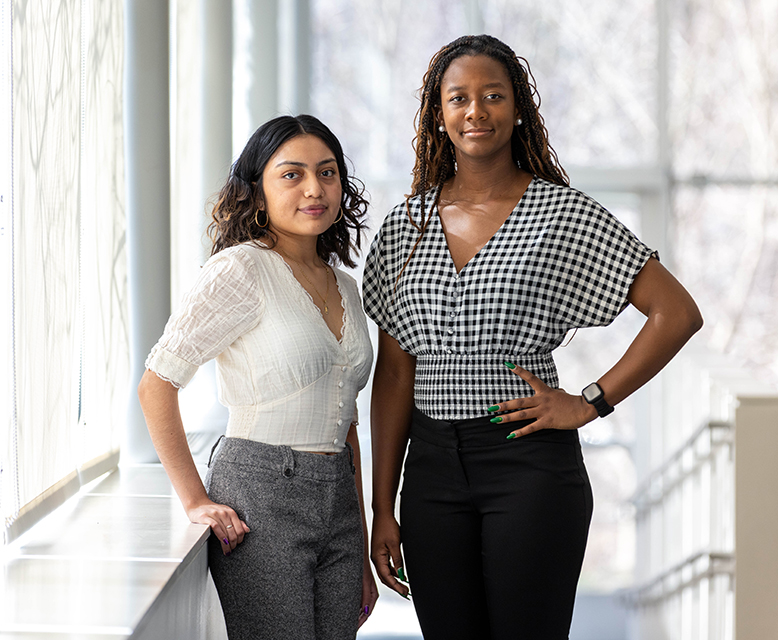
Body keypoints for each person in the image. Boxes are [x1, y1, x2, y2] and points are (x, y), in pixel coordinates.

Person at [362, 35, 703, 640]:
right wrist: (381, 505)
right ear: (438, 117)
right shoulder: (403, 227)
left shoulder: (562, 213)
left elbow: (675, 313)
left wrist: (590, 401)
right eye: (458, 99)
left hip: (526, 463)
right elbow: (394, 374)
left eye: (493, 96)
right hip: (432, 472)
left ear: (518, 109)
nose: (476, 112)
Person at [138, 114, 378, 640]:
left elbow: (347, 422)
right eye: (292, 175)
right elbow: (157, 383)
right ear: (257, 193)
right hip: (261, 493)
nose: (315, 188)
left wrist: (358, 545)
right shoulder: (239, 270)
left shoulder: (345, 286)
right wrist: (195, 499)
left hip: (337, 497)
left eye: (328, 172)